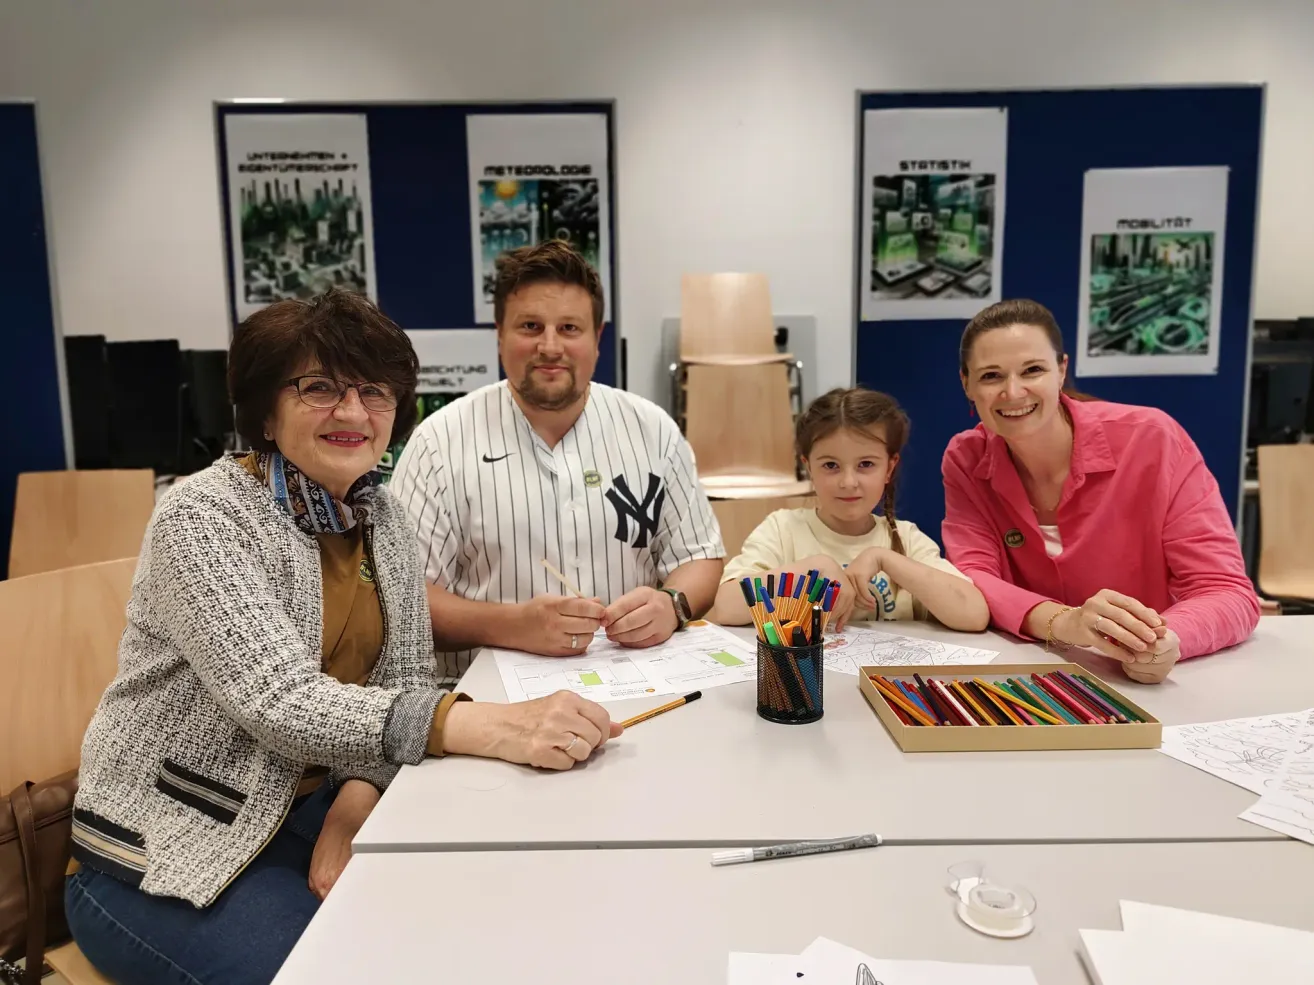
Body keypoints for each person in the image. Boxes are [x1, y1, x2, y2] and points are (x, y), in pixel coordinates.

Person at [65, 290, 621, 985]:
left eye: (374, 390)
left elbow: (405, 678)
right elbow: (280, 700)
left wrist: (356, 800)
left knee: (494, 920)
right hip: (166, 850)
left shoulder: (380, 516)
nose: (354, 412)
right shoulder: (202, 516)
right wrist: (492, 726)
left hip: (313, 805)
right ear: (266, 411)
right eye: (320, 388)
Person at [391, 241, 724, 682]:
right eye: (530, 326)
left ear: (597, 338)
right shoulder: (438, 442)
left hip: (635, 681)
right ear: (499, 335)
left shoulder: (652, 430)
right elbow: (406, 601)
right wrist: (511, 625)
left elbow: (700, 557)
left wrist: (672, 604)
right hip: (484, 696)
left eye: (569, 328)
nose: (550, 347)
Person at [943, 298, 1260, 684]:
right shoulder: (965, 458)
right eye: (991, 376)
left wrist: (1164, 640)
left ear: (1061, 371)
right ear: (967, 384)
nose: (1013, 391)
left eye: (1032, 370)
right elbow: (972, 580)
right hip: (1033, 679)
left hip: (1148, 680)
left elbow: (1226, 590)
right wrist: (1065, 622)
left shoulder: (1153, 439)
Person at [708, 387, 988, 632]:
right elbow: (726, 607)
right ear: (808, 467)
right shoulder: (782, 530)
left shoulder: (907, 539)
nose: (848, 482)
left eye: (866, 464)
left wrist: (884, 559)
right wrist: (813, 570)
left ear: (889, 468)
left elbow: (974, 615)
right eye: (830, 465)